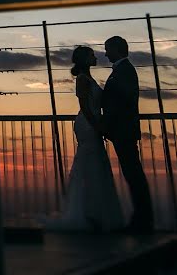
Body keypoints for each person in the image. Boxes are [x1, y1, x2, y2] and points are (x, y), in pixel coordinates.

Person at [46, 46, 123, 231]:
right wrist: (98, 126)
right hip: (88, 124)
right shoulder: (82, 79)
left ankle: (93, 212)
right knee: (90, 165)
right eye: (91, 55)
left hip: (92, 123)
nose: (95, 57)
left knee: (94, 166)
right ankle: (88, 213)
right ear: (84, 59)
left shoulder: (88, 78)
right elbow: (85, 107)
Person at [101, 36, 154, 233]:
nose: (105, 54)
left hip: (123, 131)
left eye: (108, 49)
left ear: (117, 49)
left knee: (134, 175)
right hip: (122, 130)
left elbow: (122, 100)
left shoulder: (124, 71)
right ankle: (141, 219)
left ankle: (142, 221)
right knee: (133, 175)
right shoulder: (122, 71)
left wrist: (108, 123)